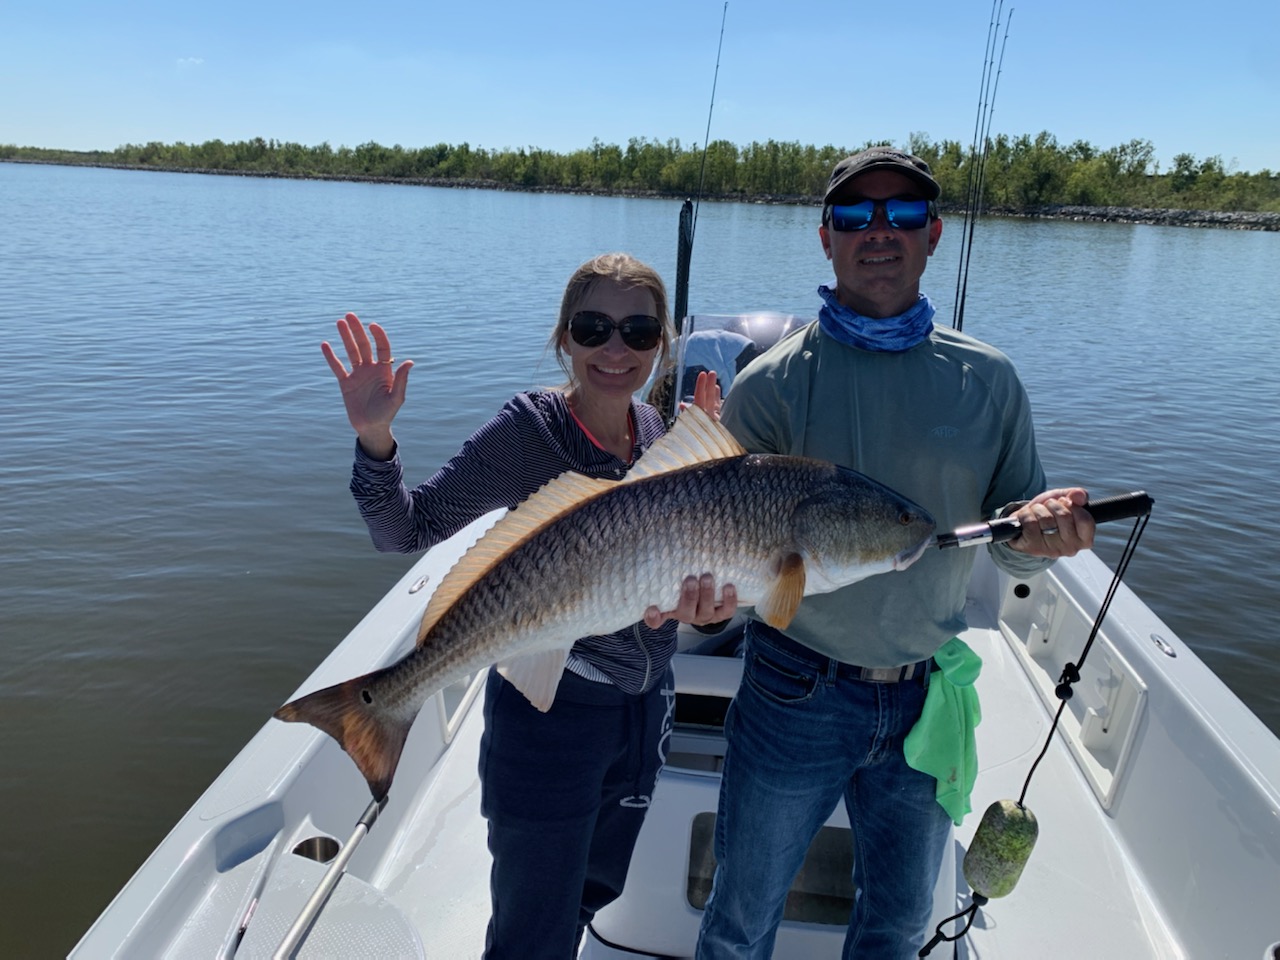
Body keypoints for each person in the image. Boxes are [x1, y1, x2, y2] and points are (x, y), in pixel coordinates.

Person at [694, 147, 1097, 959]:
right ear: (826, 238)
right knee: (739, 922)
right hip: (792, 689)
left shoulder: (989, 380)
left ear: (935, 233)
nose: (879, 231)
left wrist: (1042, 544)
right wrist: (703, 607)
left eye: (903, 214)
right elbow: (702, 536)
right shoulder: (770, 385)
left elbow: (1014, 550)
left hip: (927, 693)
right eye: (855, 215)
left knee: (902, 926)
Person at [320, 252, 736, 960]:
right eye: (593, 326)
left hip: (643, 711)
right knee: (530, 931)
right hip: (551, 717)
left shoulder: (663, 436)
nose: (615, 348)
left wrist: (710, 614)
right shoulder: (529, 431)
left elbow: (701, 605)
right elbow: (405, 529)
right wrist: (373, 437)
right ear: (564, 338)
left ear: (662, 346)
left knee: (591, 896)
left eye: (638, 332)